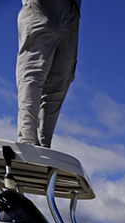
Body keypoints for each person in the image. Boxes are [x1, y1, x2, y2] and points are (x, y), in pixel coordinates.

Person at [16, 0, 81, 148]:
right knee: (35, 64)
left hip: (73, 7)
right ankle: (28, 139)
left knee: (62, 75)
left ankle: (44, 145)